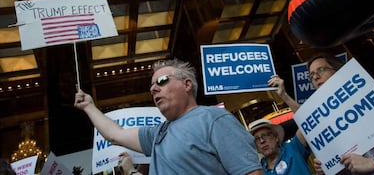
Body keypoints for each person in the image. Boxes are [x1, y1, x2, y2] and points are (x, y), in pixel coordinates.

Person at [74, 58, 263, 175]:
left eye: (162, 81)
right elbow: (114, 134)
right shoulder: (157, 134)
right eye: (151, 86)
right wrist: (89, 107)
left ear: (187, 85)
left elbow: (251, 172)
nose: (154, 88)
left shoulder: (214, 119)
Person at [269, 52, 374, 174]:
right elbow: (306, 118)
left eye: (321, 70)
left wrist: (373, 161)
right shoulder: (329, 122)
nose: (315, 77)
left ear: (337, 70)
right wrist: (331, 167)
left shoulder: (371, 98)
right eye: (311, 75)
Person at [248, 118, 313, 175]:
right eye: (256, 139)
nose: (262, 141)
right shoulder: (259, 171)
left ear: (276, 137)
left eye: (265, 135)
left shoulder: (293, 147)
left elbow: (307, 118)